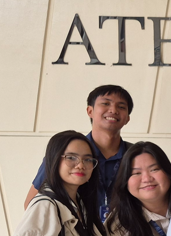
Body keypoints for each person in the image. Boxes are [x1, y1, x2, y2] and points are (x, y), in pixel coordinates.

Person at [25, 85, 134, 221]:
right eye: (105, 103)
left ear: (127, 118)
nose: (113, 110)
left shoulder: (136, 156)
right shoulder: (66, 152)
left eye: (121, 107)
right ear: (90, 111)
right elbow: (32, 204)